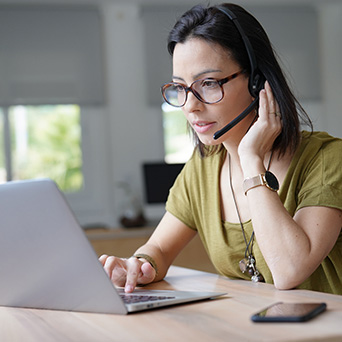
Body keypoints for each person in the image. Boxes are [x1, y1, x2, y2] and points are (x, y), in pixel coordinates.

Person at [100, 3, 342, 294]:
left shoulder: (327, 160)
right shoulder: (205, 165)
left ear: (257, 82)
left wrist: (251, 160)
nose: (190, 105)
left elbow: (289, 270)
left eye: (209, 83)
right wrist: (137, 265)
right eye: (180, 87)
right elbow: (159, 249)